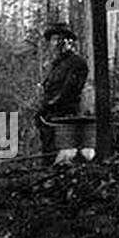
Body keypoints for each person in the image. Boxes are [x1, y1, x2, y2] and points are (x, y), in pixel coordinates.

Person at [36, 22, 88, 163]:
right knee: (48, 155)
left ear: (67, 41)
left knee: (63, 159)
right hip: (50, 119)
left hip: (65, 119)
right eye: (53, 39)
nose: (56, 43)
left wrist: (49, 105)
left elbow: (69, 91)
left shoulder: (77, 63)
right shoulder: (55, 65)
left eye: (59, 39)